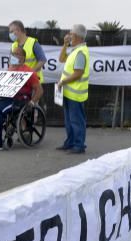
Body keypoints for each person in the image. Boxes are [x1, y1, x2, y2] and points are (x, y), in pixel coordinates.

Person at [0, 47, 43, 151]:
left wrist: (32, 102)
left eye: (16, 54)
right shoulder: (10, 68)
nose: (13, 55)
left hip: (19, 100)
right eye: (12, 53)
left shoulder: (29, 72)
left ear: (23, 58)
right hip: (6, 96)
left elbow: (40, 90)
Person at [56, 24, 90, 154]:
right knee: (69, 120)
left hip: (75, 94)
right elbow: (61, 59)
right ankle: (70, 143)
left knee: (76, 121)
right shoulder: (75, 50)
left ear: (76, 36)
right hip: (69, 92)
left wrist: (62, 81)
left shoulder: (80, 52)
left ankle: (79, 145)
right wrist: (65, 44)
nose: (69, 36)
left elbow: (78, 73)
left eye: (70, 34)